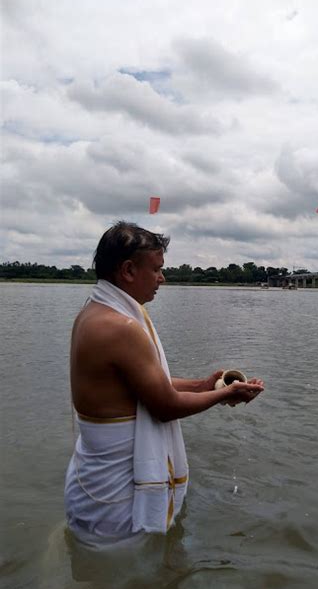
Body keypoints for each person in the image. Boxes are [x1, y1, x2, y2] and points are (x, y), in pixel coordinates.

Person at [64, 221, 264, 545]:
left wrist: (203, 385)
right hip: (115, 505)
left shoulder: (94, 312)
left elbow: (142, 385)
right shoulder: (121, 327)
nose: (162, 278)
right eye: (156, 269)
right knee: (124, 585)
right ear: (128, 270)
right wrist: (226, 394)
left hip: (94, 489)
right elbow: (164, 406)